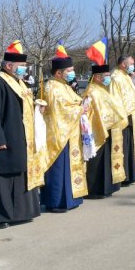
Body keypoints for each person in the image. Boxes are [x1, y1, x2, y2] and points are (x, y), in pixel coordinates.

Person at [0, 41, 45, 228]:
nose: (24, 69)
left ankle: (20, 213)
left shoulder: (19, 83)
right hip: (3, 139)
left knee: (17, 175)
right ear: (8, 66)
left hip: (19, 137)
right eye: (21, 66)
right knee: (0, 179)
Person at [39, 45, 88, 213]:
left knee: (70, 166)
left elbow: (74, 102)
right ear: (58, 73)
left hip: (70, 133)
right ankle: (56, 201)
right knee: (59, 168)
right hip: (58, 133)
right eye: (69, 71)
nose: (72, 74)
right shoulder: (51, 86)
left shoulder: (65, 86)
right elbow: (60, 109)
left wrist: (81, 105)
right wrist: (80, 109)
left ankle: (71, 199)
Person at [83, 60, 128, 198]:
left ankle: (107, 187)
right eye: (106, 75)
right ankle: (95, 189)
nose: (109, 78)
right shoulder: (91, 91)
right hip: (98, 130)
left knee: (106, 160)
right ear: (97, 77)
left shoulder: (102, 90)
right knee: (97, 162)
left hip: (109, 128)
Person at [111, 55, 135, 183]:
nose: (133, 66)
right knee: (123, 148)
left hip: (133, 118)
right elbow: (115, 100)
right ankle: (124, 175)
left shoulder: (126, 76)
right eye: (131, 63)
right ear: (123, 64)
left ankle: (130, 174)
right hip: (124, 119)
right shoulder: (115, 77)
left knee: (130, 148)